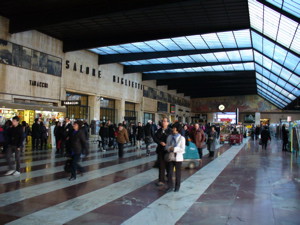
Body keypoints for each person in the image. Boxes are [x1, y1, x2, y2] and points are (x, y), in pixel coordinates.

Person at [165, 122, 186, 192]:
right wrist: (169, 148)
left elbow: (182, 149)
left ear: (177, 129)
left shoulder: (182, 138)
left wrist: (174, 149)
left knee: (178, 173)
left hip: (178, 158)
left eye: (174, 128)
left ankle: (177, 186)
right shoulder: (169, 137)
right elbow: (166, 146)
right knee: (170, 173)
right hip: (170, 157)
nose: (172, 129)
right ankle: (170, 186)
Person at [153, 117, 172, 186]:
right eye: (162, 121)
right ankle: (161, 180)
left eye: (165, 121)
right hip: (160, 150)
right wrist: (160, 142)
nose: (163, 122)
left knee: (168, 166)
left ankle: (169, 178)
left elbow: (172, 139)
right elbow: (155, 138)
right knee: (161, 165)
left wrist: (167, 143)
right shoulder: (159, 130)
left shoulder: (170, 130)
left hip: (168, 151)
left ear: (168, 123)